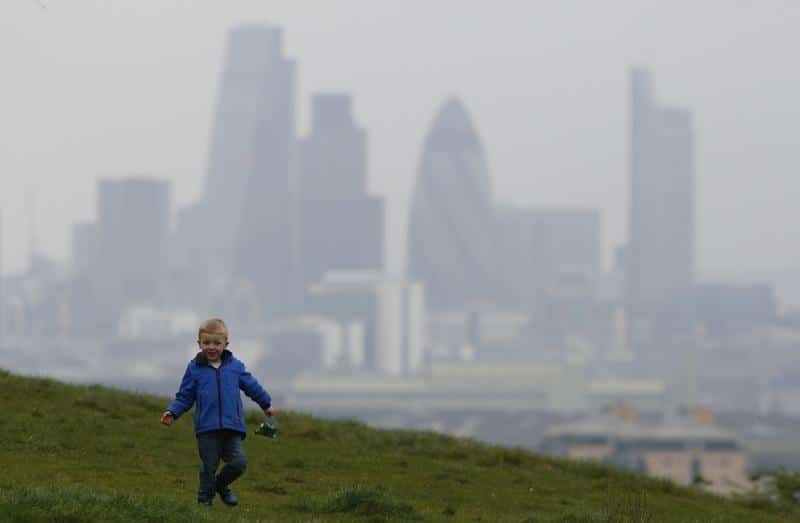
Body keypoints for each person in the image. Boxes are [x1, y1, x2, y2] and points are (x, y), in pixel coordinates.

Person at [161, 318, 275, 506]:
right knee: (209, 467)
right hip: (207, 429)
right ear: (199, 343)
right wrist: (172, 412)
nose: (211, 347)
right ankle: (204, 503)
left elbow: (252, 386)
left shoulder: (235, 367)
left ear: (226, 344)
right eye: (206, 343)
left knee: (239, 463)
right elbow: (184, 396)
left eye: (216, 343)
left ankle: (221, 485)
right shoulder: (194, 368)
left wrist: (266, 404)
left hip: (233, 428)